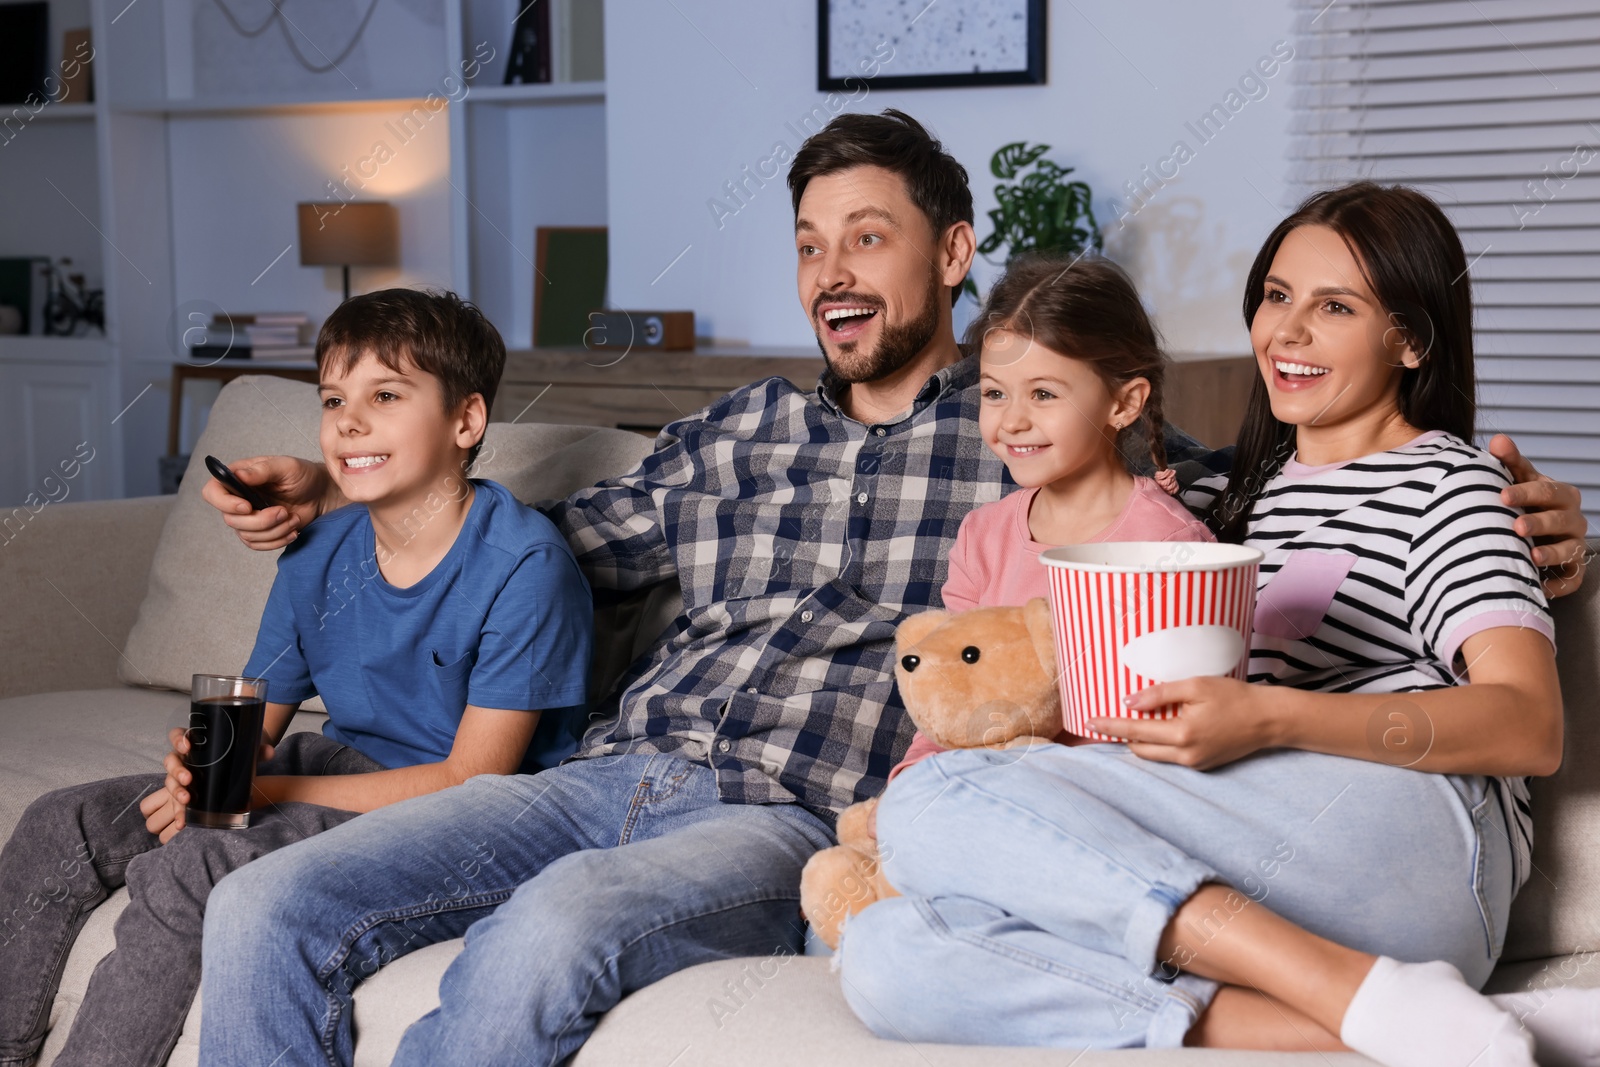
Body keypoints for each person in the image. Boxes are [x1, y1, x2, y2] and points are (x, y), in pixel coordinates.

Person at [193, 113, 1587, 1067]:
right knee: (265, 909)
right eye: (808, 242)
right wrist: (362, 478)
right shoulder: (737, 432)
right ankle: (1394, 1017)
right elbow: (534, 540)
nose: (831, 270)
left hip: (785, 806)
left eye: (866, 235)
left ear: (955, 251)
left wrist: (1548, 522)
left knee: (600, 918)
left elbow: (1246, 509)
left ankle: (1376, 995)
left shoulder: (1057, 448)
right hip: (607, 767)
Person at [836, 183, 1600, 1067]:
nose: (1287, 332)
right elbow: (1092, 460)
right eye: (1276, 296)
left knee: (931, 803)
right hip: (1265, 858)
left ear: (1409, 339)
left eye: (1335, 307)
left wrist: (1270, 718)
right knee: (889, 955)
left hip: (1416, 841)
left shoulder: (1452, 487)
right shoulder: (1226, 502)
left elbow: (1529, 724)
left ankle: (1342, 987)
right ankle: (1411, 1021)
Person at [0, 288, 592, 1067]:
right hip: (330, 770)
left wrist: (263, 793)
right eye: (334, 398)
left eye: (385, 395)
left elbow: (469, 778)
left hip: (459, 813)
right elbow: (255, 720)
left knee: (195, 864)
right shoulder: (319, 552)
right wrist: (203, 767)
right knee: (60, 822)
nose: (349, 421)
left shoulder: (524, 565)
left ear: (466, 421)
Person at [889, 253, 1213, 781]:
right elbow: (951, 692)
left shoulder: (1169, 543)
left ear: (1124, 402)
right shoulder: (982, 538)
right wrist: (913, 777)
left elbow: (1179, 724)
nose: (1012, 420)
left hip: (1104, 788)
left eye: (1043, 393)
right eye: (995, 393)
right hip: (983, 780)